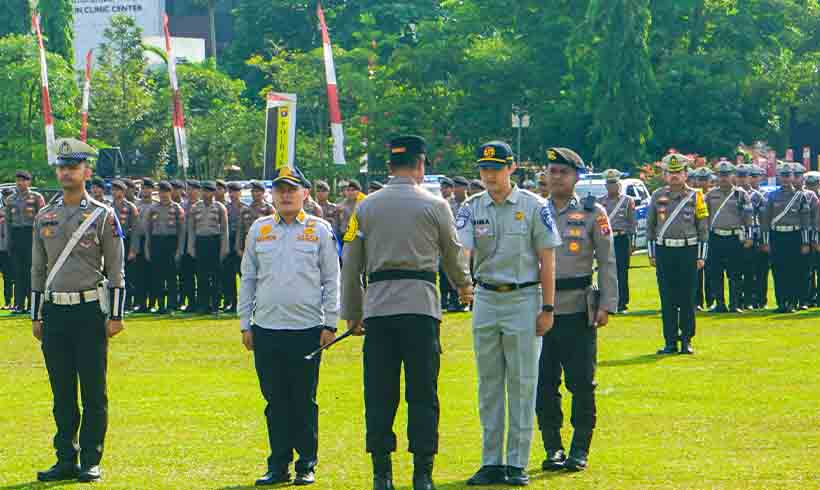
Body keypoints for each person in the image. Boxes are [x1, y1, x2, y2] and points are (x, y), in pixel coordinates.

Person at [341, 135, 472, 490]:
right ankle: (422, 473)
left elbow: (351, 263)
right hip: (421, 308)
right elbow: (452, 253)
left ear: (390, 166)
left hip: (379, 309)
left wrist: (353, 311)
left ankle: (381, 473)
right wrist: (464, 285)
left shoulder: (364, 208)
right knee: (423, 392)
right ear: (421, 164)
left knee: (379, 393)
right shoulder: (436, 205)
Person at [457, 141, 560, 486]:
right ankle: (491, 461)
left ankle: (517, 462)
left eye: (496, 168)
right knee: (488, 383)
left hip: (524, 298)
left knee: (522, 382)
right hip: (486, 298)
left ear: (511, 168)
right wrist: (463, 281)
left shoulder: (533, 206)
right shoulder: (472, 206)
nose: (489, 175)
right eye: (484, 169)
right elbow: (463, 249)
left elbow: (548, 260)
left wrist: (548, 307)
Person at [31, 138, 126, 483]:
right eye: (62, 167)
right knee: (62, 393)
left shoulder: (103, 215)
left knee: (93, 391)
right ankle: (65, 458)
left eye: (73, 167)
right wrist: (36, 315)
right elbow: (37, 269)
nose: (66, 173)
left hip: (89, 312)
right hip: (56, 312)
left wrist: (116, 315)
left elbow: (115, 269)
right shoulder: (45, 215)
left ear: (86, 171)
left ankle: (91, 459)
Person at [239, 166, 340, 487]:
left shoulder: (319, 230)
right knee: (275, 401)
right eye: (280, 189)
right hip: (267, 328)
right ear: (272, 194)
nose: (285, 195)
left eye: (291, 189)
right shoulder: (259, 229)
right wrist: (245, 323)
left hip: (307, 329)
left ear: (304, 194)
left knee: (304, 401)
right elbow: (248, 278)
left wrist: (331, 322)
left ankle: (306, 464)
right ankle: (278, 464)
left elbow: (332, 278)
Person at [536, 147, 617, 474]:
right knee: (544, 382)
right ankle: (552, 446)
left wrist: (607, 304)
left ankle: (579, 448)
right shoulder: (534, 211)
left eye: (563, 172)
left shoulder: (593, 212)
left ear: (576, 177)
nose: (556, 177)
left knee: (581, 382)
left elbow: (607, 260)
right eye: (552, 171)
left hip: (578, 309)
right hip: (541, 310)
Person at [647, 153, 709, 355]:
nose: (674, 176)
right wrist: (652, 254)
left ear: (685, 174)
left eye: (678, 172)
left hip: (688, 251)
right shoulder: (657, 196)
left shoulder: (696, 196)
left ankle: (687, 340)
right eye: (670, 172)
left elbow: (703, 228)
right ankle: (670, 341)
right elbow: (650, 227)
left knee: (688, 298)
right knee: (667, 298)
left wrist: (701, 256)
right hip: (664, 251)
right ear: (665, 175)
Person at [703, 162, 753, 313]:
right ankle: (719, 303)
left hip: (734, 238)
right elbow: (704, 218)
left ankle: (735, 304)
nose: (723, 178)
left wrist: (749, 237)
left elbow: (748, 218)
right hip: (715, 237)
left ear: (732, 176)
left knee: (735, 272)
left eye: (726, 175)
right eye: (721, 175)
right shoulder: (710, 195)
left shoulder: (741, 194)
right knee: (715, 272)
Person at [761, 163, 811, 313]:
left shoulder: (800, 196)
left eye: (788, 175)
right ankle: (781, 302)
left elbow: (805, 222)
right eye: (782, 176)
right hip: (777, 236)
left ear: (793, 177)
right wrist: (766, 241)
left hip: (794, 236)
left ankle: (792, 302)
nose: (785, 178)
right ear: (778, 177)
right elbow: (766, 220)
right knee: (778, 270)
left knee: (794, 270)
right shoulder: (772, 196)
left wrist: (805, 242)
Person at [5, 170, 46, 314]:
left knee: (31, 271)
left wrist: (42, 240)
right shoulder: (10, 199)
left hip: (31, 235)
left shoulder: (36, 197)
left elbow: (42, 219)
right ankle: (19, 304)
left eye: (23, 180)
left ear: (29, 182)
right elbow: (8, 222)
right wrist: (8, 241)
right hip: (16, 236)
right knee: (17, 272)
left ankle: (31, 304)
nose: (20, 183)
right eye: (18, 180)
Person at [597, 169, 636, 313]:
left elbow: (632, 224)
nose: (612, 186)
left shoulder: (627, 201)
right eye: (609, 183)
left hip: (621, 239)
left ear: (619, 184)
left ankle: (622, 303)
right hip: (606, 239)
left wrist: (632, 243)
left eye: (615, 183)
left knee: (621, 272)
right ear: (605, 185)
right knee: (606, 272)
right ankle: (606, 301)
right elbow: (598, 223)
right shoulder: (600, 202)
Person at [187, 181, 229, 315]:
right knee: (201, 276)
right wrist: (190, 247)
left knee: (216, 276)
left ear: (214, 192)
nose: (206, 194)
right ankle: (202, 305)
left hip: (215, 242)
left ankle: (215, 305)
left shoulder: (220, 207)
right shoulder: (195, 207)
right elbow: (191, 229)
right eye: (204, 191)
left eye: (209, 191)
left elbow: (224, 230)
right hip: (200, 242)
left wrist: (224, 248)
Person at [144, 181, 185, 314]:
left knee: (172, 277)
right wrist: (147, 248)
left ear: (170, 192)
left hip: (171, 243)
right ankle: (161, 305)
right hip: (157, 243)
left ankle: (171, 305)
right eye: (161, 192)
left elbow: (181, 231)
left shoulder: (177, 208)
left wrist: (179, 250)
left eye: (165, 192)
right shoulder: (153, 209)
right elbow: (148, 230)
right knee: (158, 277)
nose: (163, 195)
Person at [110, 180, 139, 311]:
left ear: (123, 191)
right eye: (113, 190)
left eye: (118, 190)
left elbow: (136, 230)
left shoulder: (130, 207)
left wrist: (133, 249)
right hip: (111, 243)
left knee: (128, 275)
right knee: (111, 274)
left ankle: (127, 304)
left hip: (126, 242)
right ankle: (112, 303)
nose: (115, 192)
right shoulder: (108, 207)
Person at [130, 178, 156, 313]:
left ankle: (152, 304)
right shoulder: (135, 205)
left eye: (147, 188)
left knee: (152, 274)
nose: (145, 190)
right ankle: (140, 304)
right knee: (139, 275)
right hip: (138, 240)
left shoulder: (156, 205)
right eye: (143, 188)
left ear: (152, 189)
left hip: (153, 241)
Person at [222, 182, 246, 313]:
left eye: (235, 191)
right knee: (228, 275)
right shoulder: (225, 208)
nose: (232, 194)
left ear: (240, 193)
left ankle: (245, 303)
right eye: (230, 192)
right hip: (228, 241)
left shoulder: (245, 208)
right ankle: (232, 302)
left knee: (244, 275)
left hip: (242, 243)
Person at [693, 167, 714, 311]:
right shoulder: (693, 195)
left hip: (712, 237)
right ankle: (697, 301)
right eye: (700, 179)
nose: (702, 182)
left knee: (711, 270)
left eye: (705, 179)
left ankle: (711, 300)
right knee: (697, 271)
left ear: (710, 180)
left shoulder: (714, 195)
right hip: (697, 237)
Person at [179, 180, 202, 311]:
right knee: (186, 275)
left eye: (193, 189)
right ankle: (191, 302)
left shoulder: (202, 205)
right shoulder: (182, 206)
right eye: (188, 189)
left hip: (200, 241)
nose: (190, 192)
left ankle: (202, 302)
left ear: (198, 191)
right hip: (185, 241)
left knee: (202, 274)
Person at [237, 181, 275, 257]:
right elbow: (240, 230)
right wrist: (238, 248)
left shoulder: (269, 209)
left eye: (257, 191)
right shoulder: (245, 209)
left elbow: (275, 230)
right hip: (248, 244)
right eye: (253, 191)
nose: (254, 193)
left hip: (264, 244)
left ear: (263, 192)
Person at [806, 171, 820, 306]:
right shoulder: (803, 197)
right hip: (806, 236)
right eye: (809, 184)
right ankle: (809, 297)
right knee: (808, 269)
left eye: (814, 184)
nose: (812, 186)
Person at [0, 188, 13, 309]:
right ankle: (8, 302)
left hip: (11, 249)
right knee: (6, 277)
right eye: (4, 196)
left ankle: (17, 302)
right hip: (2, 249)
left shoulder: (15, 212)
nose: (6, 199)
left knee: (12, 276)